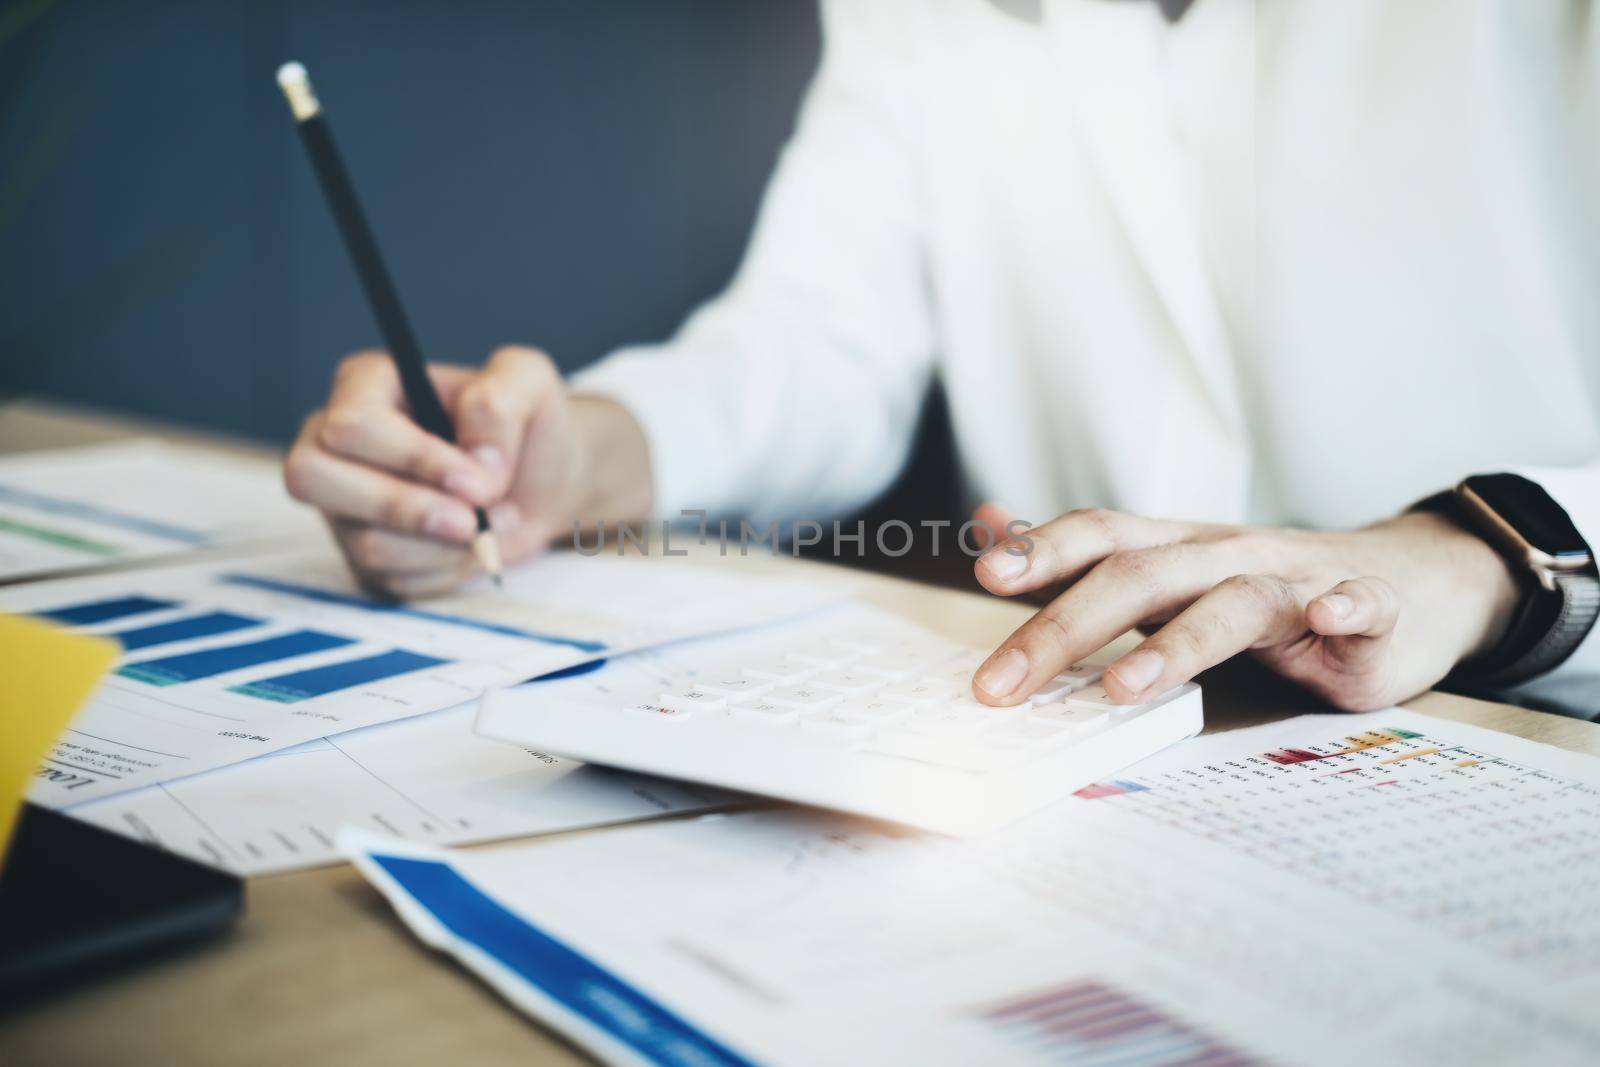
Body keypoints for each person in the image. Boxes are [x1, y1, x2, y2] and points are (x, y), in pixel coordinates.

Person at [283, 0, 1600, 717]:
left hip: (1531, 728)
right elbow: (823, 339)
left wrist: (1488, 557)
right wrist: (580, 453)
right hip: (1109, 734)